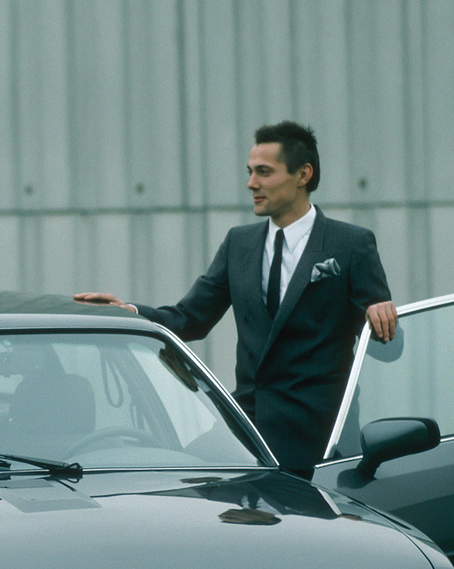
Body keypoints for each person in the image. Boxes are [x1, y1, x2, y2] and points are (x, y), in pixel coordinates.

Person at [75, 121, 396, 475]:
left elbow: (387, 349)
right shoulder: (238, 244)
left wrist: (381, 315)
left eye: (264, 172)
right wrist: (129, 312)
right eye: (250, 172)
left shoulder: (350, 244)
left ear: (303, 175)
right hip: (248, 432)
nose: (251, 184)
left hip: (322, 441)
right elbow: (189, 318)